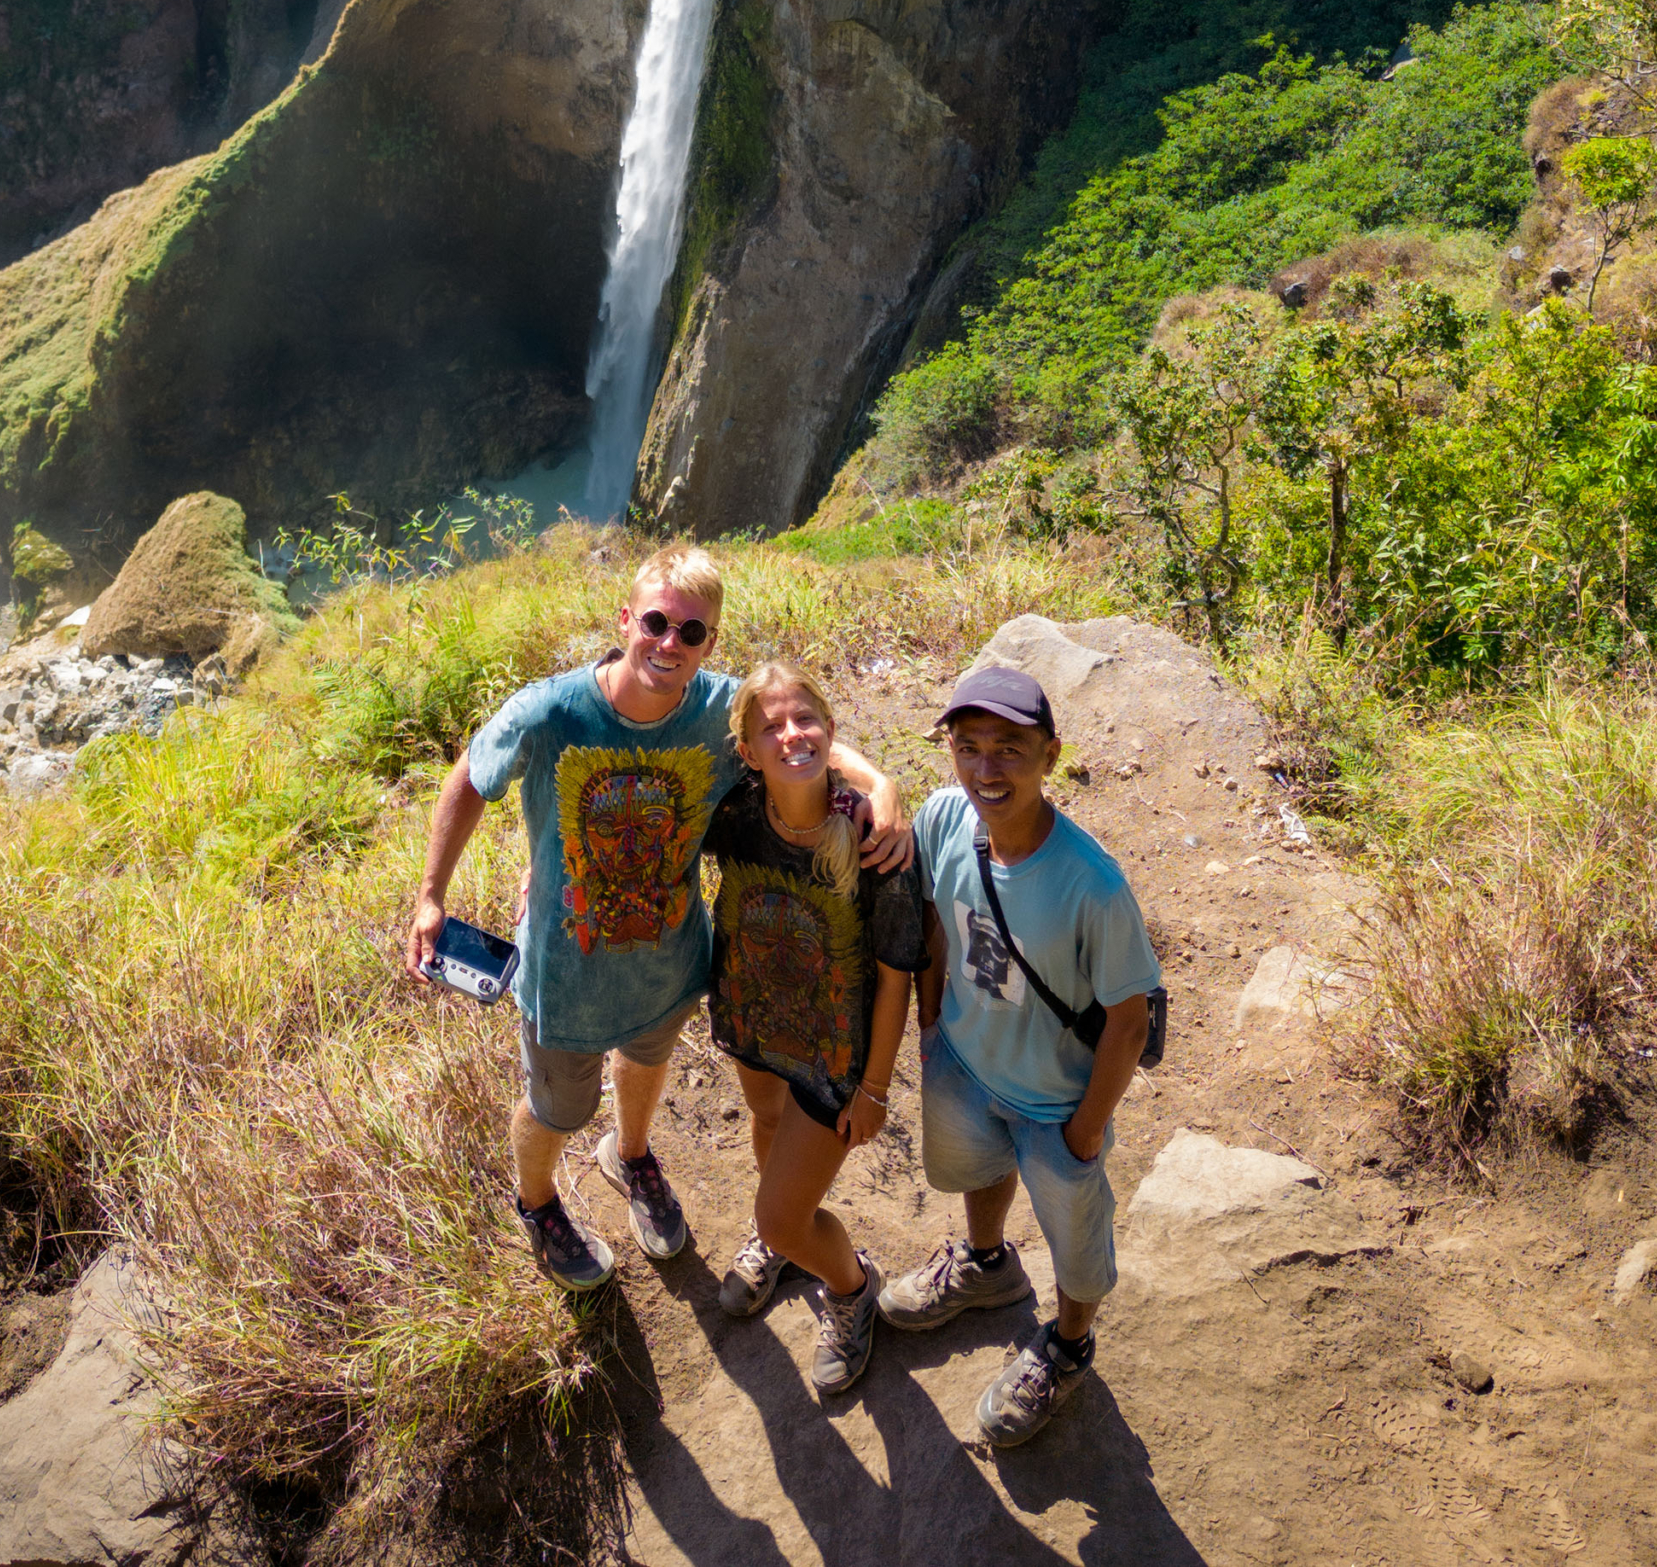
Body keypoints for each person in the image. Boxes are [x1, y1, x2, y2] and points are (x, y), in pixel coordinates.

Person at [403, 545, 911, 1292]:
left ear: (712, 641)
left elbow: (800, 732)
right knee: (556, 1108)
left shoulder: (718, 712)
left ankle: (632, 1155)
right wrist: (430, 895)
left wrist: (883, 785)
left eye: (692, 632)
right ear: (626, 621)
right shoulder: (551, 711)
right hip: (565, 979)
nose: (671, 644)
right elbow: (469, 778)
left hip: (670, 964)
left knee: (646, 1061)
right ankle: (537, 1201)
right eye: (656, 623)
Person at [877, 665, 1162, 1448]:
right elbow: (937, 918)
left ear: (1050, 757)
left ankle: (1068, 1346)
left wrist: (1086, 1129)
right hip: (966, 1061)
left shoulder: (1091, 884)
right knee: (974, 1169)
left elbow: (1130, 1023)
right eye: (968, 748)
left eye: (1009, 749)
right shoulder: (943, 818)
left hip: (1056, 1102)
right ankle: (985, 1263)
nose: (986, 769)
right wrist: (933, 1025)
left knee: (1076, 1240)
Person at [704, 662, 923, 1395]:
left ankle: (851, 1286)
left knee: (782, 1215)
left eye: (805, 720)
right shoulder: (731, 810)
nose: (790, 734)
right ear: (746, 748)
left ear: (831, 731)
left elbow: (896, 974)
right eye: (770, 725)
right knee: (766, 1120)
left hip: (837, 1052)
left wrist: (877, 1088)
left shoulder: (874, 839)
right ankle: (785, 1238)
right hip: (756, 1015)